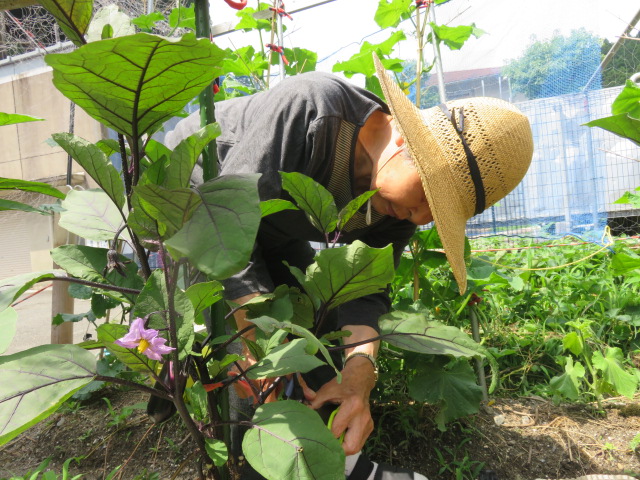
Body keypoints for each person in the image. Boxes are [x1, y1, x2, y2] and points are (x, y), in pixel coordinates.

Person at [164, 53, 534, 480]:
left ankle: (338, 465)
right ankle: (252, 466)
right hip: (197, 201)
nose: (421, 219)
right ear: (406, 144)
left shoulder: (396, 209)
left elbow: (364, 290)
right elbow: (227, 232)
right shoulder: (314, 110)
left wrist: (360, 375)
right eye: (431, 197)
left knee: (316, 331)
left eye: (441, 213)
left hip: (266, 224)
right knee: (245, 362)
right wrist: (259, 350)